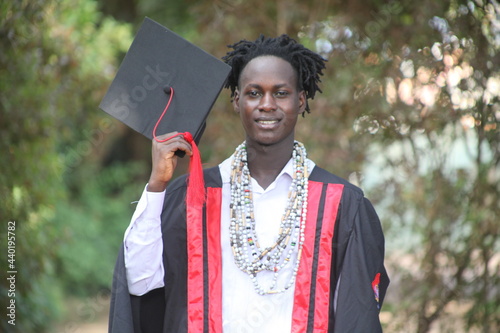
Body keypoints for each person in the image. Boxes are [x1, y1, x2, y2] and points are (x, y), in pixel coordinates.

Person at [109, 34, 389, 333]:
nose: (267, 105)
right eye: (254, 93)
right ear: (237, 100)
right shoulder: (192, 197)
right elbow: (140, 281)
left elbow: (357, 316)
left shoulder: (341, 203)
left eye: (281, 93)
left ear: (301, 100)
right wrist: (157, 184)